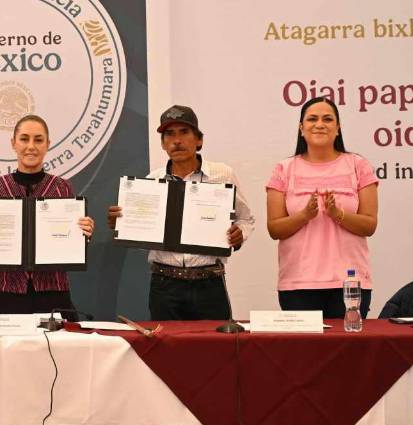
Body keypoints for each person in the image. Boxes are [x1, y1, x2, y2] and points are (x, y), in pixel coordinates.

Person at [108, 105, 255, 320]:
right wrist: (123, 224)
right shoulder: (151, 182)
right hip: (165, 285)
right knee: (167, 342)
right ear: (163, 144)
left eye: (184, 132)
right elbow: (141, 231)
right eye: (169, 134)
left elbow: (246, 218)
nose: (177, 140)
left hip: (209, 283)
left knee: (213, 342)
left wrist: (239, 234)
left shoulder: (223, 175)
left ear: (199, 140)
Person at [0, 115, 95, 319]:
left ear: (48, 144)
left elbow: (71, 238)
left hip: (54, 289)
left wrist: (83, 233)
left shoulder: (62, 187)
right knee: (8, 341)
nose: (31, 146)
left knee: (59, 339)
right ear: (13, 143)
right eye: (24, 139)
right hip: (8, 290)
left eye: (38, 140)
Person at [266, 97, 378, 318]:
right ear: (301, 128)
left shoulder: (358, 165)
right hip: (298, 285)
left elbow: (369, 225)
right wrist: (305, 215)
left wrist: (338, 214)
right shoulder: (283, 169)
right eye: (312, 119)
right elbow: (274, 229)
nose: (320, 124)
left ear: (338, 128)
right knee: (304, 343)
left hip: (349, 283)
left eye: (327, 119)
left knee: (348, 341)